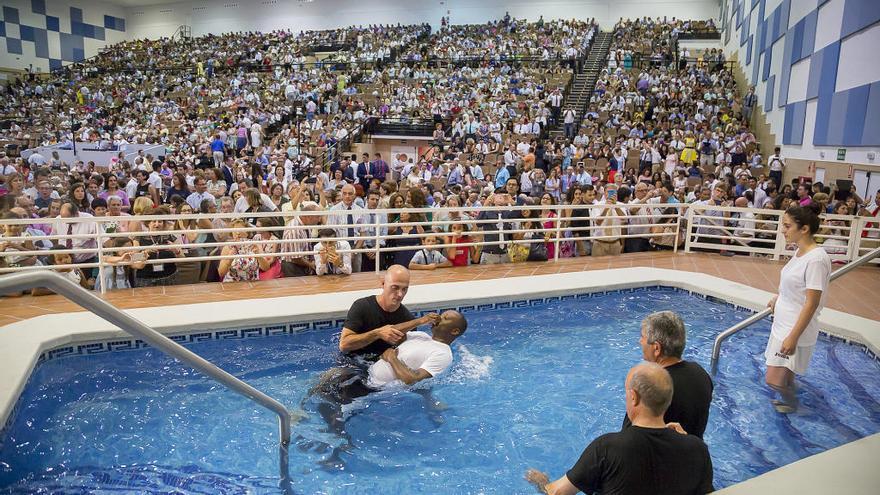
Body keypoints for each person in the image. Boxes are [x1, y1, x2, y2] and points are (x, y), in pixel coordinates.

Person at [525, 362, 713, 495]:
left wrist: (542, 482)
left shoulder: (607, 448)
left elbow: (558, 493)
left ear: (634, 397)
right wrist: (689, 442)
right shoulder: (698, 450)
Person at [765, 203, 832, 413]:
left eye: (787, 226)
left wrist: (793, 337)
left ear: (804, 229)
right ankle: (790, 401)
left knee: (773, 380)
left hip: (794, 329)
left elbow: (811, 303)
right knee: (785, 377)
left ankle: (795, 405)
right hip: (783, 324)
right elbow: (796, 286)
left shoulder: (816, 260)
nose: (782, 230)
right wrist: (779, 296)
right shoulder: (801, 252)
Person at [622, 311, 713, 439]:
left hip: (659, 456)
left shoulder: (652, 386)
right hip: (693, 453)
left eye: (642, 337)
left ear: (656, 348)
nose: (640, 341)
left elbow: (629, 437)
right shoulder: (701, 374)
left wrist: (631, 389)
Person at [338, 265, 439, 360]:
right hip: (352, 362)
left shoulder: (408, 320)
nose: (400, 294)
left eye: (404, 289)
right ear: (383, 284)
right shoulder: (362, 306)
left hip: (381, 367)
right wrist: (377, 333)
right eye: (395, 287)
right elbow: (344, 345)